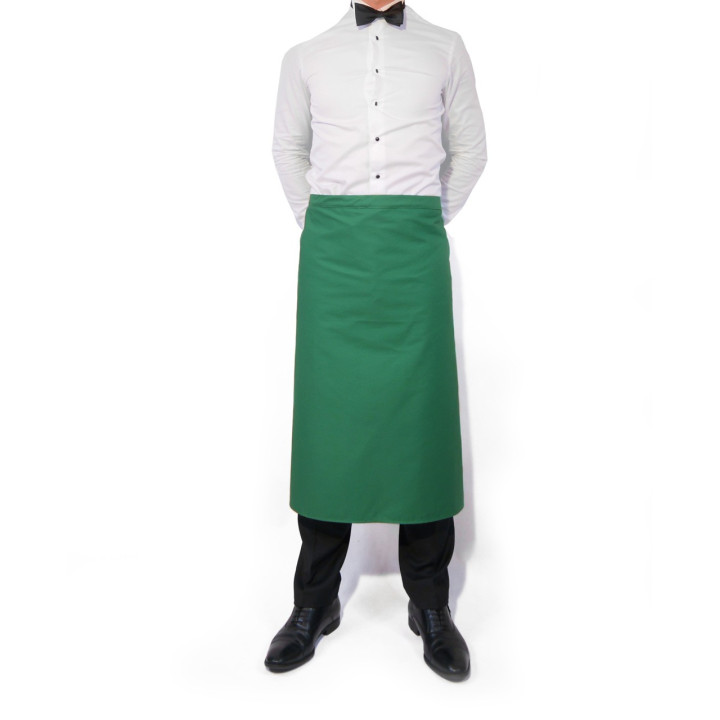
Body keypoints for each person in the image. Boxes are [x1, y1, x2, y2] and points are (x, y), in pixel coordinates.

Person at [265, 0, 487, 682]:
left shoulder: (446, 47)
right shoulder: (306, 56)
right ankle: (314, 603)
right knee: (329, 425)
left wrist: (421, 217)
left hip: (413, 251)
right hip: (333, 255)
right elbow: (288, 150)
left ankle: (430, 605)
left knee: (422, 424)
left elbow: (471, 150)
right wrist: (322, 222)